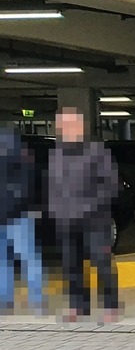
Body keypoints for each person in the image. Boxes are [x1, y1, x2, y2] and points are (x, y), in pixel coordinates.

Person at [47, 107, 119, 321]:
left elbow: (111, 185)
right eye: (62, 124)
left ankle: (110, 306)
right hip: (66, 220)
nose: (65, 128)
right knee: (71, 264)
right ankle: (79, 306)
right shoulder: (56, 153)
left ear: (80, 126)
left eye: (69, 123)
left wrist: (89, 206)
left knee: (101, 262)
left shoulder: (97, 151)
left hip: (94, 219)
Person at [0, 128, 46, 314]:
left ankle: (5, 301)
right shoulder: (26, 161)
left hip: (9, 217)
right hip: (19, 215)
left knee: (5, 260)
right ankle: (37, 301)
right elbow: (31, 187)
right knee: (28, 258)